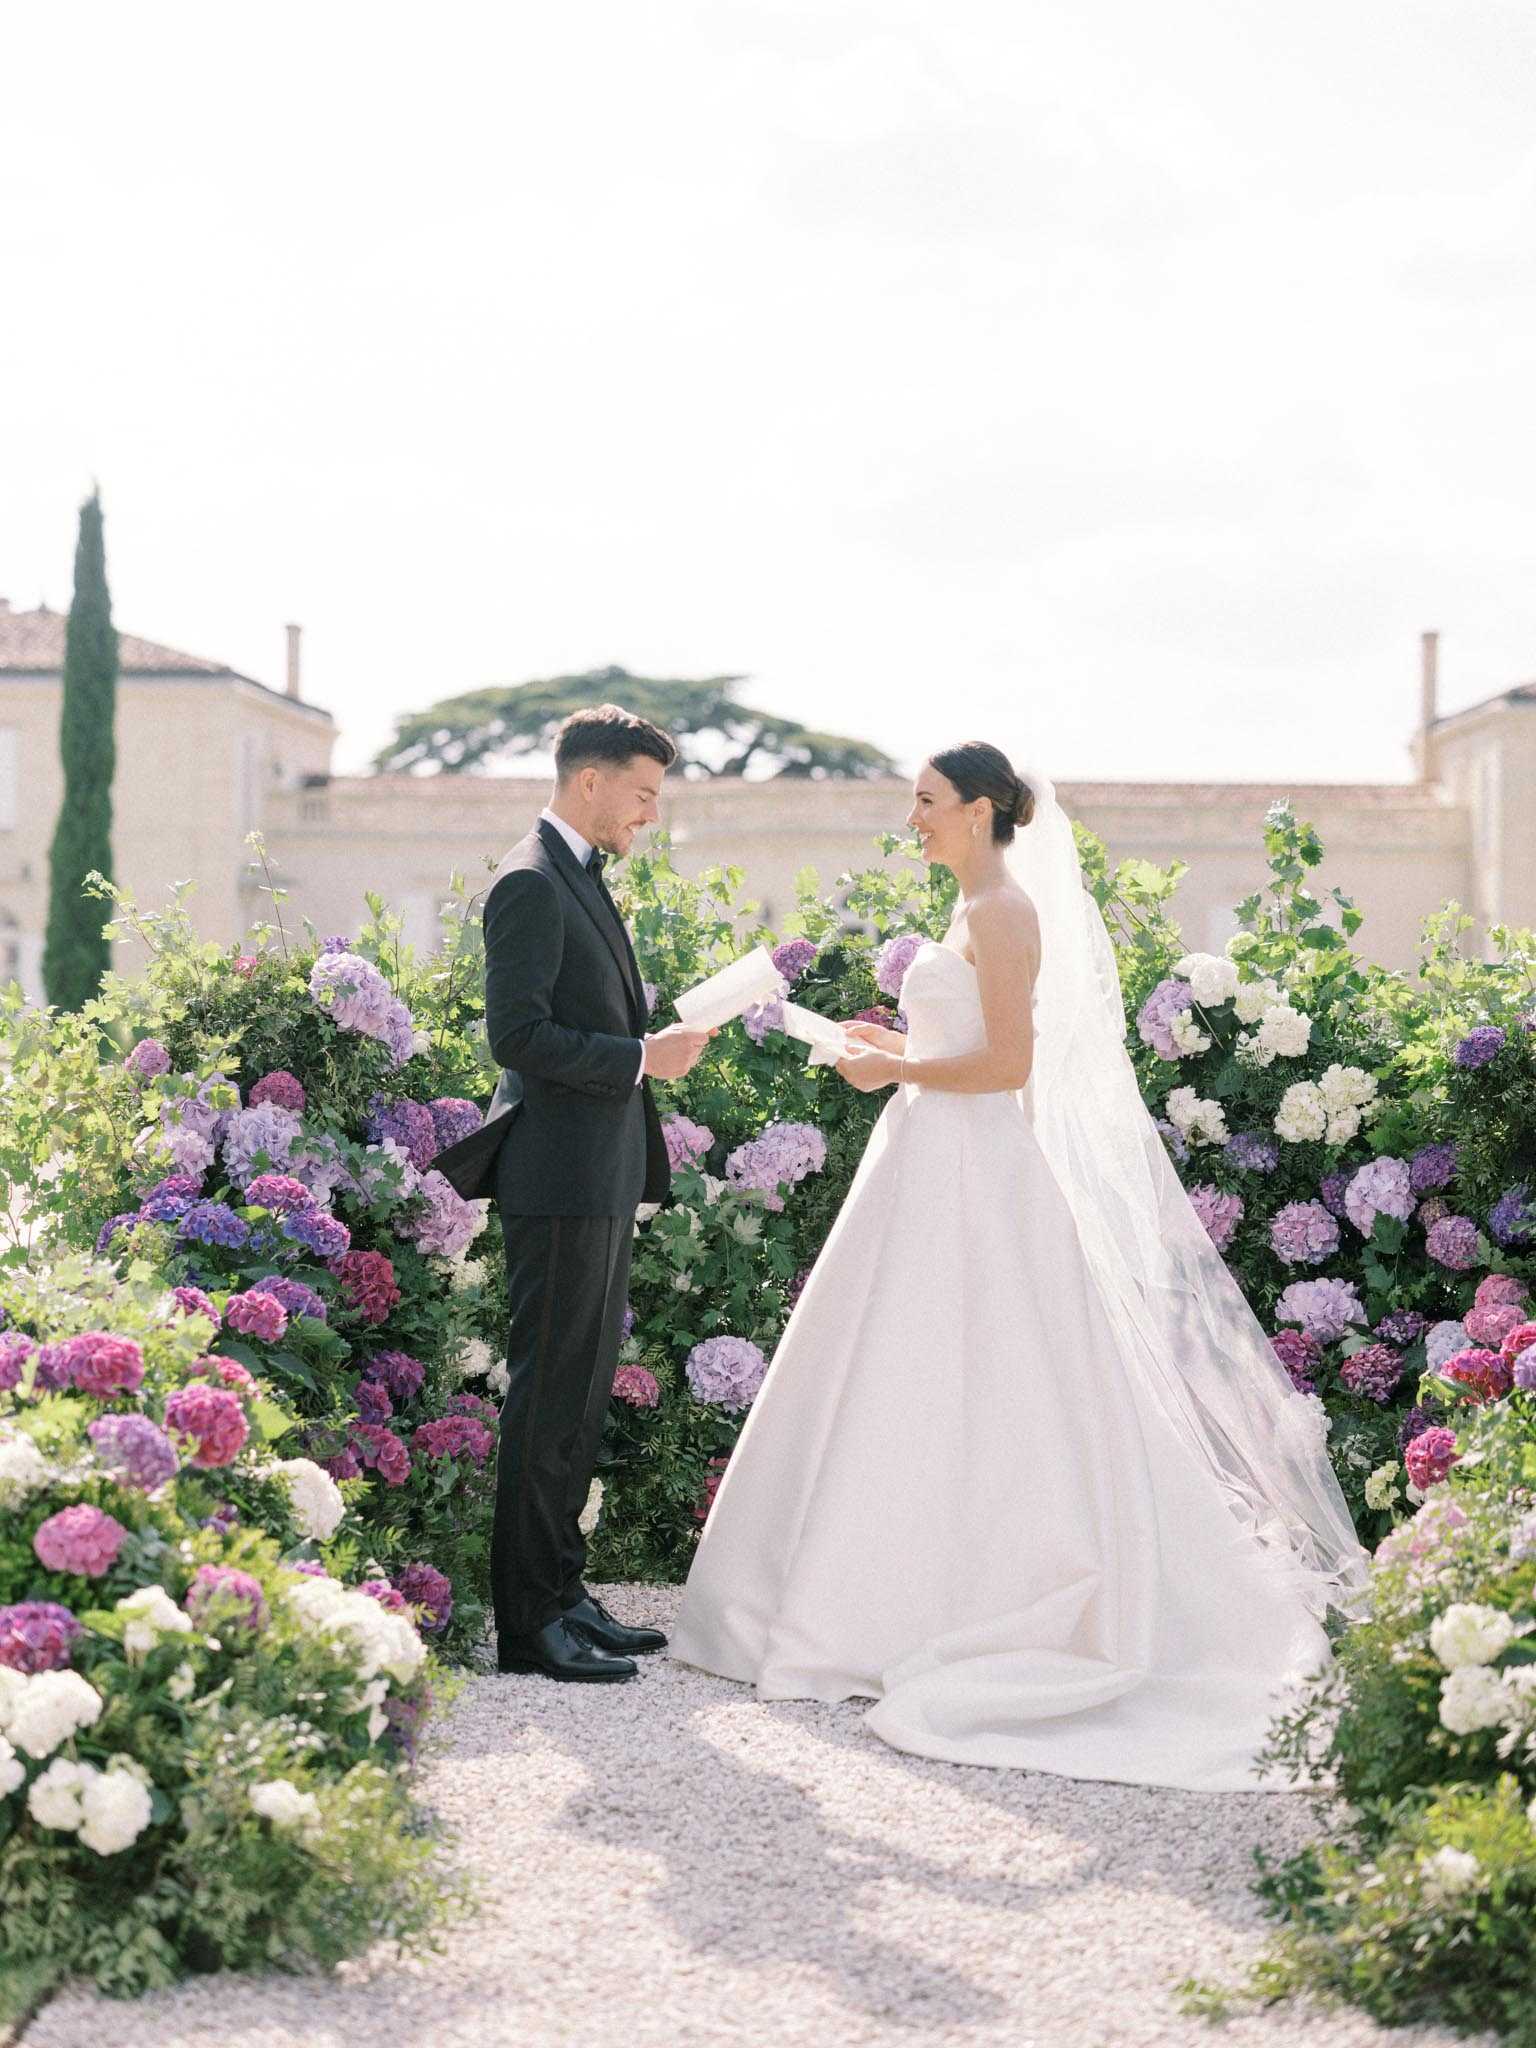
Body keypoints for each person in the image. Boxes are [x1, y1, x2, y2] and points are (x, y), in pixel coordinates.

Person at [670, 743, 1370, 1789]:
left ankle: (951, 1603)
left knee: (988, 1378)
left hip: (974, 1162)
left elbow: (1008, 1065)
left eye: (927, 801)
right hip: (928, 1155)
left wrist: (896, 1061)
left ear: (982, 808)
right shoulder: (968, 907)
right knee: (907, 1376)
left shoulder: (1002, 910)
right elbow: (963, 1037)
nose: (913, 818)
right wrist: (891, 1040)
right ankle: (889, 1594)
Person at [436, 704, 711, 1683]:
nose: (647, 816)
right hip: (554, 1179)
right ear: (589, 780)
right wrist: (645, 1055)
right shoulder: (528, 880)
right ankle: (527, 1626)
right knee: (545, 1399)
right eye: (641, 795)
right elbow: (517, 1037)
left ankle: (562, 1592)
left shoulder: (576, 874)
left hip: (597, 1173)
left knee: (578, 1402)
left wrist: (646, 1046)